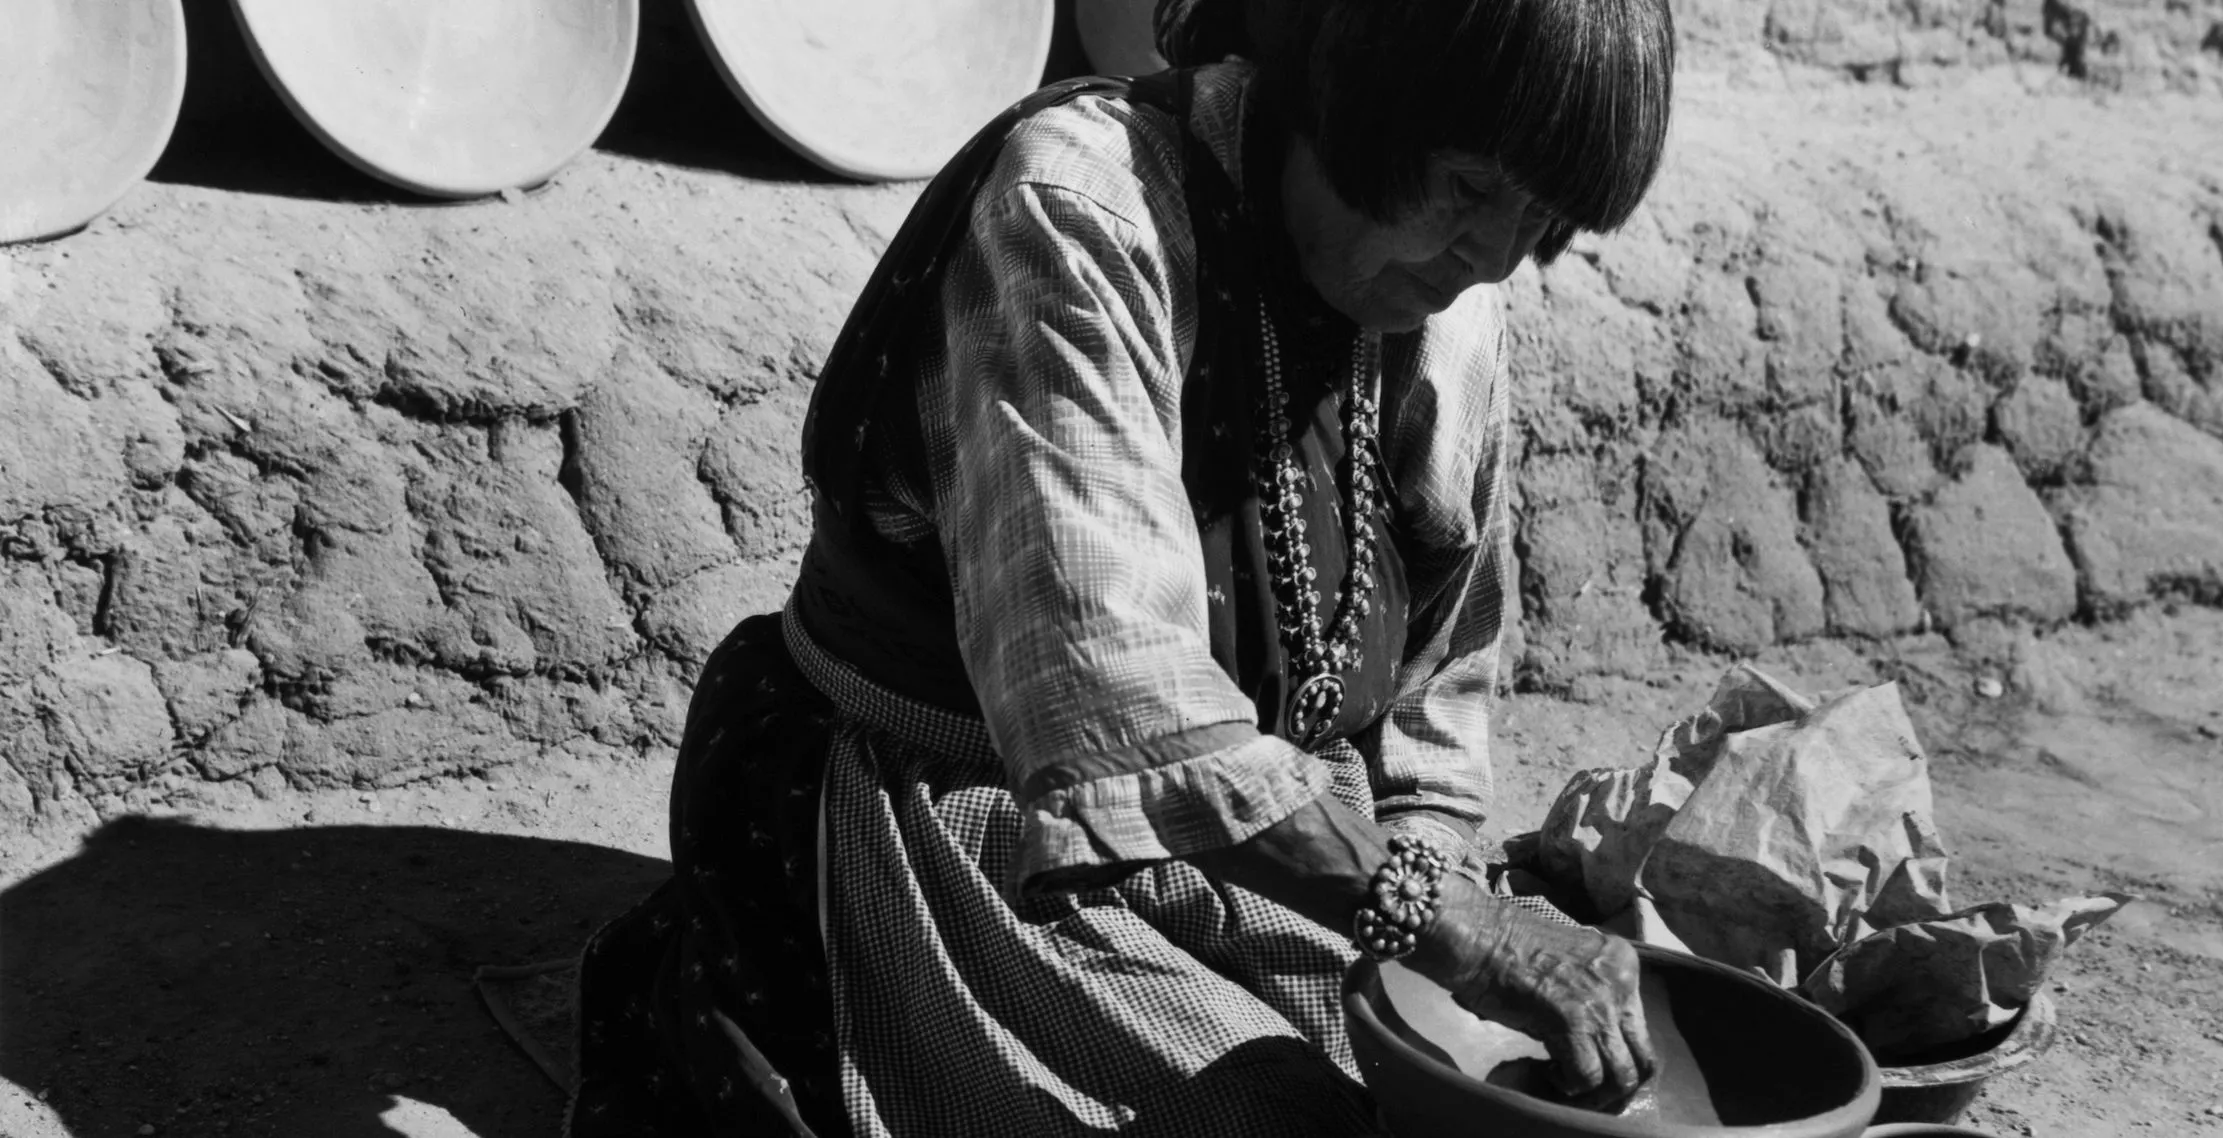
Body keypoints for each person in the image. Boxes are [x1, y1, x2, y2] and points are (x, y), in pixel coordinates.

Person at [568, 0, 1677, 1133]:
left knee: (1470, 1097)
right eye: (1468, 187)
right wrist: (1446, 921)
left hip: (1287, 837)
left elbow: (1436, 695)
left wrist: (1438, 919)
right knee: (1270, 1118)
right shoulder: (1080, 207)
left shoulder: (1451, 304)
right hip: (964, 812)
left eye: (1541, 216)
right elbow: (1106, 689)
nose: (1492, 256)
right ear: (1353, 102)